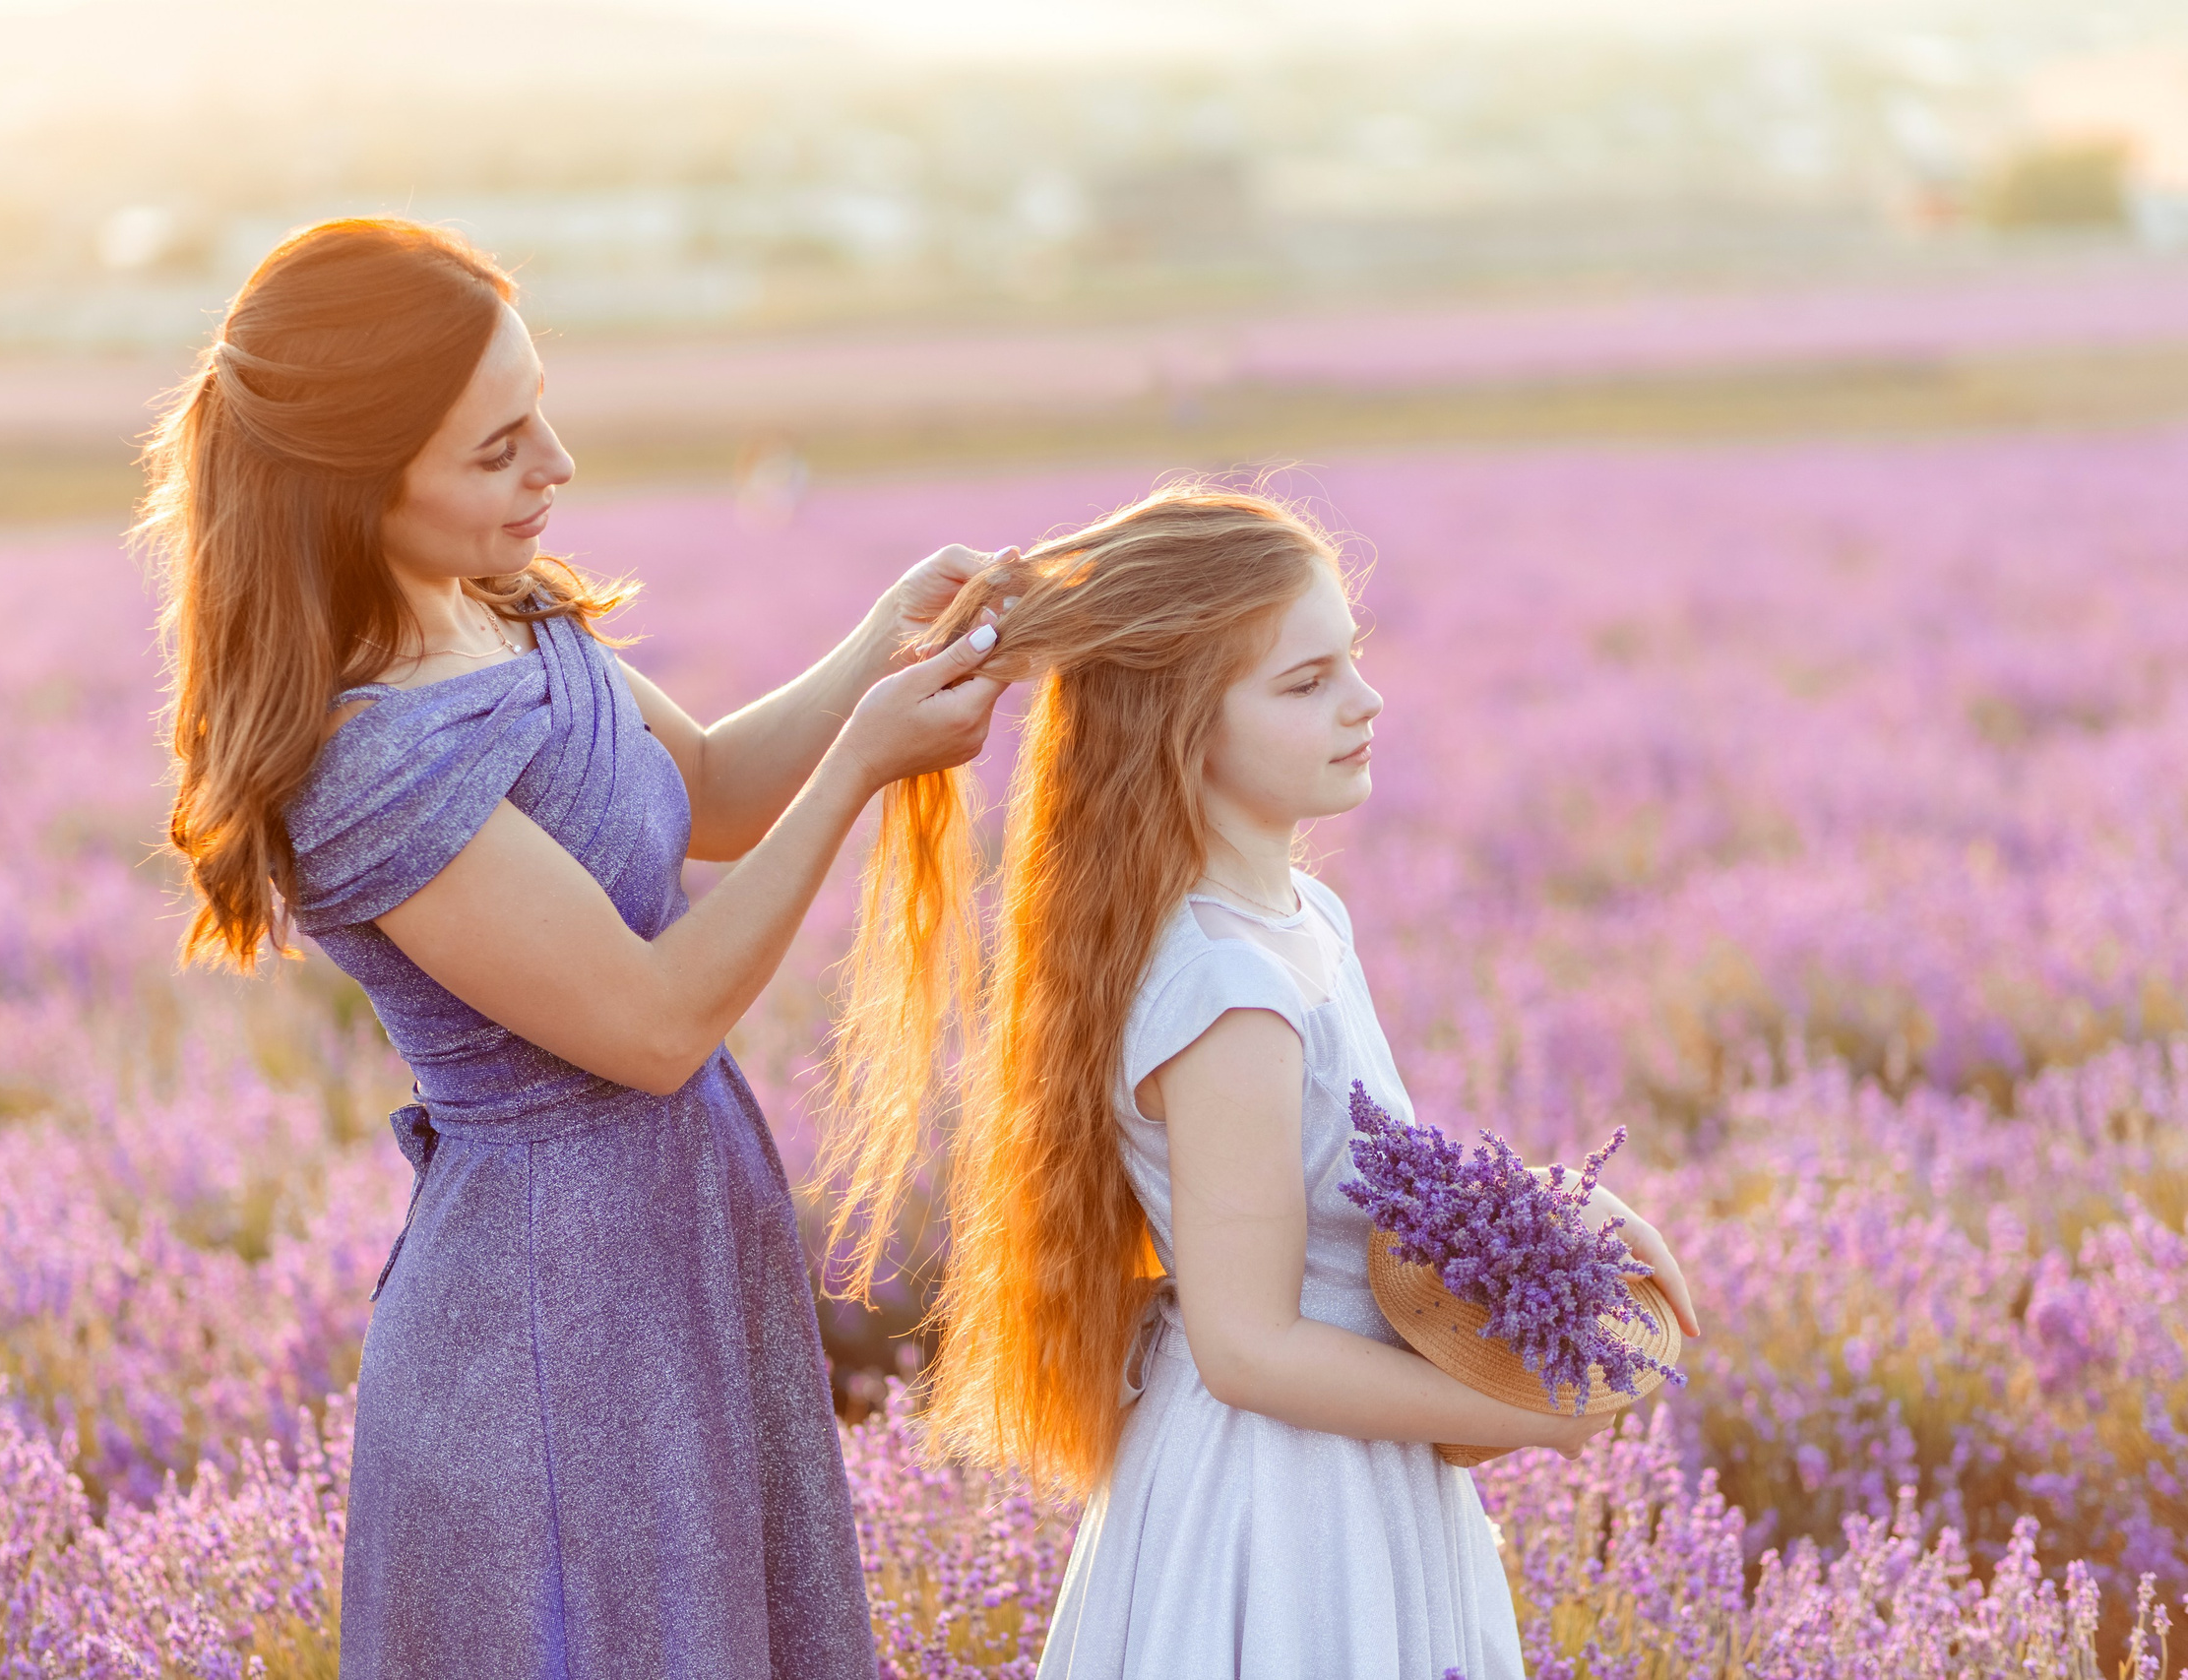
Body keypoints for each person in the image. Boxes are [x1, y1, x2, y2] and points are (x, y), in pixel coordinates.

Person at [141, 217, 1011, 1679]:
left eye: (540, 405)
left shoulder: (503, 607)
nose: (555, 464)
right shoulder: (366, 762)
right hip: (555, 1311)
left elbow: (717, 793)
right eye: (497, 447)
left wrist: (881, 636)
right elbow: (657, 1021)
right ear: (359, 484)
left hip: (676, 1243)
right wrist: (866, 762)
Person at [822, 484, 1703, 1679]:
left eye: (1353, 658)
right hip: (1285, 1518)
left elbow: (1345, 1192)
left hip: (1336, 1473)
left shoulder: (1299, 920)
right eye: (1305, 682)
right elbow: (1248, 1345)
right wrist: (1524, 1418)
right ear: (1181, 727)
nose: (1365, 699)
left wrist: (1545, 1204)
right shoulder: (1228, 985)